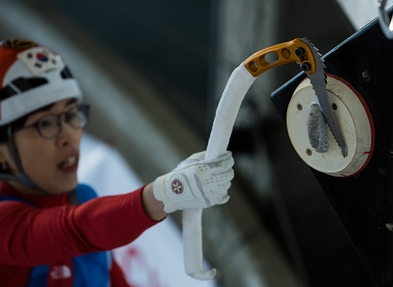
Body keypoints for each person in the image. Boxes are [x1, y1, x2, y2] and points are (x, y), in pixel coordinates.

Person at [0, 39, 234, 286]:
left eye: (71, 114)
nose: (69, 136)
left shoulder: (82, 198)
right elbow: (77, 229)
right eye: (45, 123)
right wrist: (168, 192)